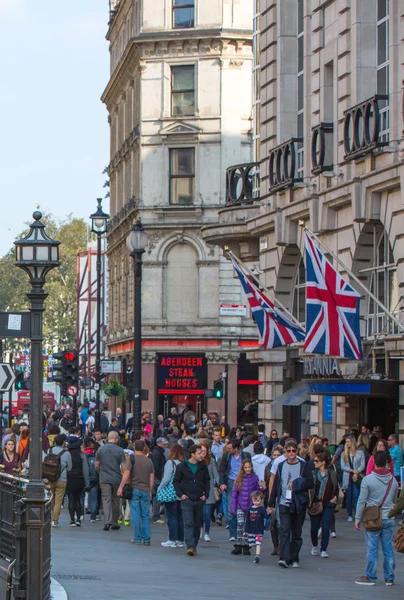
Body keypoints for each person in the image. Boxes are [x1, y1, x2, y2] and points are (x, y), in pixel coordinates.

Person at [354, 451, 398, 586]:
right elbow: (395, 499)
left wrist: (357, 518)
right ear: (386, 462)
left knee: (372, 548)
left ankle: (371, 576)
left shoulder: (367, 480)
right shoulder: (393, 480)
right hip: (389, 517)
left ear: (373, 463)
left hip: (372, 518)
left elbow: (362, 500)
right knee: (388, 548)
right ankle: (389, 577)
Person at [268, 440, 313, 568]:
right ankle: (284, 558)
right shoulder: (281, 465)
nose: (291, 453)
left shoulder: (303, 465)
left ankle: (294, 557)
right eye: (289, 451)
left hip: (298, 503)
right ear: (285, 452)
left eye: (294, 451)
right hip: (283, 502)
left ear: (297, 452)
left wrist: (298, 484)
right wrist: (271, 502)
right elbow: (276, 484)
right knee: (284, 530)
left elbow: (310, 483)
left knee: (297, 532)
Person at [173, 444, 210, 556]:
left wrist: (206, 495)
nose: (202, 455)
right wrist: (181, 494)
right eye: (199, 453)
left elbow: (207, 481)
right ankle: (190, 546)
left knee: (197, 524)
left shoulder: (203, 466)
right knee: (188, 523)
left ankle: (194, 544)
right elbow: (176, 482)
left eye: (202, 453)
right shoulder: (182, 466)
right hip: (187, 499)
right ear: (192, 454)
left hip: (199, 499)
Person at [118, 440, 155, 546]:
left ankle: (137, 538)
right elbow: (151, 476)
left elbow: (127, 473)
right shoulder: (149, 461)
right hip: (145, 490)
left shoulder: (132, 458)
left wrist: (121, 487)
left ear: (134, 448)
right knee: (145, 515)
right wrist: (150, 490)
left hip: (134, 489)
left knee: (135, 514)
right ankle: (147, 539)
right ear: (144, 448)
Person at [95, 431, 130, 531]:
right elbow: (123, 467)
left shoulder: (100, 449)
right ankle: (114, 521)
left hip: (104, 477)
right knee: (116, 500)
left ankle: (107, 521)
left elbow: (97, 465)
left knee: (106, 499)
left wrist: (100, 471)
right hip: (116, 478)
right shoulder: (120, 450)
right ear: (115, 439)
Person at [219, 439, 251, 542]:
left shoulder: (246, 456)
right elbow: (222, 470)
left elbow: (250, 468)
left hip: (243, 482)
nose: (228, 450)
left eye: (230, 448)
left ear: (236, 448)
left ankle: (240, 533)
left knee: (242, 509)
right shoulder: (227, 456)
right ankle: (233, 534)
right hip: (230, 482)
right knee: (230, 510)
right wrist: (222, 483)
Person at [309, 451, 339, 558]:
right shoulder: (313, 473)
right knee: (314, 528)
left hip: (328, 504)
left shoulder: (332, 474)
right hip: (315, 504)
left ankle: (323, 549)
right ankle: (314, 545)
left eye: (317, 461)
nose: (314, 462)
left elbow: (336, 487)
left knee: (326, 526)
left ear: (323, 462)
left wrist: (335, 498)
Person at [230, 459, 261, 556]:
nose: (247, 469)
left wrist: (262, 488)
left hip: (250, 506)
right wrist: (233, 507)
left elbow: (258, 492)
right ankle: (238, 544)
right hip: (240, 505)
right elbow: (235, 494)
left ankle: (246, 546)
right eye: (246, 467)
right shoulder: (239, 479)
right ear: (243, 468)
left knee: (248, 527)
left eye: (249, 467)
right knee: (240, 524)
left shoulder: (255, 478)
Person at [158, 444, 185, 548]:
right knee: (179, 517)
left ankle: (172, 539)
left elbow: (166, 479)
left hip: (170, 492)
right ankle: (180, 539)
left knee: (171, 517)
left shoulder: (170, 463)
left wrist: (160, 488)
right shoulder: (183, 463)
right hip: (180, 493)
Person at [48, 434, 72, 527]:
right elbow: (69, 468)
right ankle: (55, 520)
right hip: (62, 479)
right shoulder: (67, 453)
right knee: (58, 501)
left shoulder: (49, 450)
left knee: (50, 499)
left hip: (49, 478)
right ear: (63, 442)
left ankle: (49, 518)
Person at [66, 434, 90, 527]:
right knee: (78, 499)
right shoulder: (82, 455)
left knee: (71, 498)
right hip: (80, 478)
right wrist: (87, 483)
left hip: (69, 478)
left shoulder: (67, 454)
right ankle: (78, 519)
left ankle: (72, 519)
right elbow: (85, 470)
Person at [340, 435, 365, 522]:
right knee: (348, 496)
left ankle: (358, 514)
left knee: (356, 495)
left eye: (349, 442)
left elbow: (362, 464)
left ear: (353, 442)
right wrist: (352, 470)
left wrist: (357, 472)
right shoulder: (344, 453)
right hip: (348, 477)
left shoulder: (360, 453)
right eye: (346, 442)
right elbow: (342, 466)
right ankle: (349, 514)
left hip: (357, 477)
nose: (347, 444)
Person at [200, 442, 219, 542]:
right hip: (197, 490)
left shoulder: (211, 461)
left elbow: (216, 474)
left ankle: (206, 532)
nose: (203, 453)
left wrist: (220, 484)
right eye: (201, 451)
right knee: (199, 513)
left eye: (204, 451)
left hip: (209, 489)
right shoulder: (196, 461)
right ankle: (199, 529)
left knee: (207, 513)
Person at [244, 490, 267, 564]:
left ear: (261, 500)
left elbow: (266, 516)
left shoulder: (262, 509)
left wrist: (269, 513)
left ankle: (257, 555)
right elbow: (247, 520)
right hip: (251, 530)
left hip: (259, 530)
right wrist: (246, 530)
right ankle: (257, 552)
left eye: (258, 500)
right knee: (252, 544)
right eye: (254, 500)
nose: (256, 502)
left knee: (258, 542)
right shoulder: (250, 509)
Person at [150, 437, 169, 524]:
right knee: (157, 498)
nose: (165, 446)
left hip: (157, 477)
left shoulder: (157, 452)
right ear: (159, 444)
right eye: (164, 444)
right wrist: (160, 475)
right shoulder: (158, 453)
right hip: (158, 477)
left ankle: (155, 515)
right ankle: (155, 516)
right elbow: (157, 467)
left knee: (156, 497)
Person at [83, 438, 99, 523]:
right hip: (94, 479)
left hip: (85, 479)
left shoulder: (83, 455)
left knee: (82, 496)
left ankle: (80, 514)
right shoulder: (95, 456)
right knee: (94, 498)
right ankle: (93, 516)